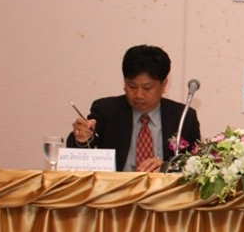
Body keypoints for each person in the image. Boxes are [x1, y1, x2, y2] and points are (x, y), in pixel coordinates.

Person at [66, 45, 201, 172]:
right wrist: (82, 138)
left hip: (163, 189)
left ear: (164, 84)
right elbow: (81, 153)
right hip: (116, 188)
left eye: (147, 88)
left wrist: (166, 167)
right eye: (132, 86)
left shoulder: (183, 117)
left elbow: (197, 165)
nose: (138, 95)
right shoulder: (106, 111)